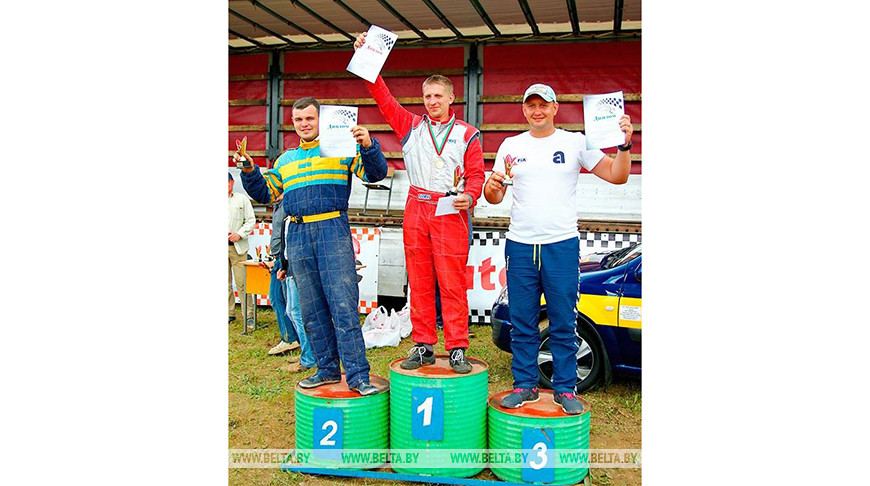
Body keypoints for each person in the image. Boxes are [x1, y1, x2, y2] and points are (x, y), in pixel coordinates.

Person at [484, 83, 634, 415]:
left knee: (564, 320)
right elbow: (493, 196)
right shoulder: (511, 145)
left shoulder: (575, 142)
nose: (537, 111)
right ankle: (524, 385)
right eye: (531, 105)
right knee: (522, 321)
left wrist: (624, 146)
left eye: (544, 104)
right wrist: (491, 186)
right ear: (523, 110)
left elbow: (617, 175)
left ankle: (565, 388)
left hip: (561, 245)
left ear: (555, 108)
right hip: (521, 245)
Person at [236, 97, 388, 396]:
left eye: (310, 118)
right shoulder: (285, 160)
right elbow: (267, 194)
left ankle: (358, 376)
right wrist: (250, 170)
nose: (304, 124)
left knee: (343, 306)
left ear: (321, 119)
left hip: (332, 230)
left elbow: (375, 174)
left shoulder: (341, 149)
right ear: (293, 123)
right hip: (298, 235)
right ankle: (326, 370)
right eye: (298, 120)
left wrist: (368, 146)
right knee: (312, 310)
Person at [353, 32, 484, 374]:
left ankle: (457, 346)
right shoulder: (410, 125)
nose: (432, 101)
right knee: (419, 280)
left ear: (451, 97)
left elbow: (476, 176)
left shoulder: (467, 133)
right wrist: (367, 57)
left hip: (449, 209)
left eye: (438, 95)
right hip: (416, 206)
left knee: (452, 282)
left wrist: (470, 196)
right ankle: (424, 344)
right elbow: (382, 97)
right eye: (427, 96)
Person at [228, 172, 256, 328]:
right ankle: (229, 313)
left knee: (242, 283)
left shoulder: (242, 199)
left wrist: (239, 234)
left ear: (232, 182)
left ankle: (249, 314)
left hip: (237, 247)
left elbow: (250, 221)